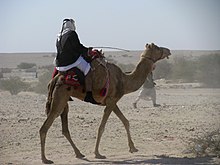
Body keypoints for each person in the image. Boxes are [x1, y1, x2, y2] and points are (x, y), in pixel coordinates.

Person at [53, 18, 99, 104]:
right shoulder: (72, 33)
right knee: (88, 69)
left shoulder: (59, 36)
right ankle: (89, 94)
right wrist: (87, 50)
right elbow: (78, 47)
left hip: (59, 64)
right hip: (70, 62)